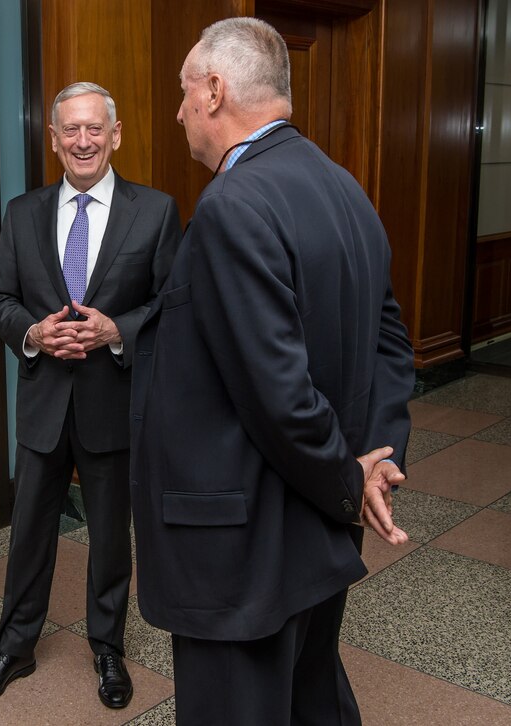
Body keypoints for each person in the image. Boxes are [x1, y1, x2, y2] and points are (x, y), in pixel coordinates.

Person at [130, 17, 414, 725]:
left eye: (184, 91)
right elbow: (391, 346)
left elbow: (278, 395)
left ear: (216, 90)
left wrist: (355, 479)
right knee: (310, 697)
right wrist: (378, 464)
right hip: (315, 534)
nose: (179, 111)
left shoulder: (233, 203)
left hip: (244, 548)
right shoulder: (344, 185)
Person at [0, 82, 181, 709]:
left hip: (113, 401)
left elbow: (171, 305)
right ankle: (15, 646)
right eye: (70, 131)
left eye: (95, 129)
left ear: (115, 135)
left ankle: (108, 648)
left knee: (112, 535)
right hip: (43, 403)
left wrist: (119, 329)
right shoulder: (22, 212)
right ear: (54, 140)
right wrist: (32, 332)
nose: (83, 141)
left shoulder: (157, 211)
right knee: (30, 529)